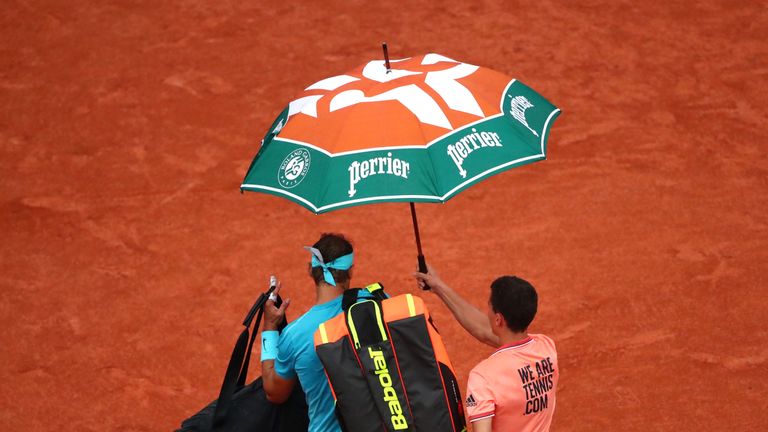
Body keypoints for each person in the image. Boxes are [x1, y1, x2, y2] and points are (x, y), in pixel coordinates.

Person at [414, 267, 558, 432]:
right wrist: (439, 287)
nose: (487, 311)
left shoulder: (483, 378)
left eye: (489, 306)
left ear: (498, 319)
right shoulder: (546, 348)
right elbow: (484, 331)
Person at [260, 233, 357, 432]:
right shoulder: (379, 301)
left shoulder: (295, 334)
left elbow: (274, 392)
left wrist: (269, 326)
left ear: (310, 270)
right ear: (350, 271)